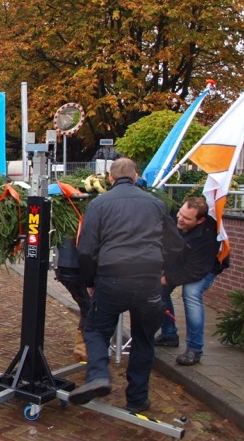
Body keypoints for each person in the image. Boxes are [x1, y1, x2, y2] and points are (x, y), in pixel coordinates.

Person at [69, 158, 183, 412]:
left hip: (112, 278)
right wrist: (162, 269)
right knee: (143, 338)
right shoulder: (155, 203)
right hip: (148, 281)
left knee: (96, 330)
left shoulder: (99, 204)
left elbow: (86, 250)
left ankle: (99, 375)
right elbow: (176, 244)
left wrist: (90, 282)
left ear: (110, 179)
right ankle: (137, 399)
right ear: (136, 177)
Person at [155, 197, 221, 366]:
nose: (180, 219)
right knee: (158, 291)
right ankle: (169, 334)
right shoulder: (175, 219)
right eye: (180, 214)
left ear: (200, 220)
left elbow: (194, 272)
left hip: (203, 268)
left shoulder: (207, 236)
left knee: (191, 293)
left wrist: (166, 279)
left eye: (187, 218)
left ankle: (194, 349)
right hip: (180, 261)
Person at [54, 235, 91, 362]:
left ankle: (84, 348)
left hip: (63, 265)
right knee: (90, 307)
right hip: (76, 266)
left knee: (86, 306)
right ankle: (85, 349)